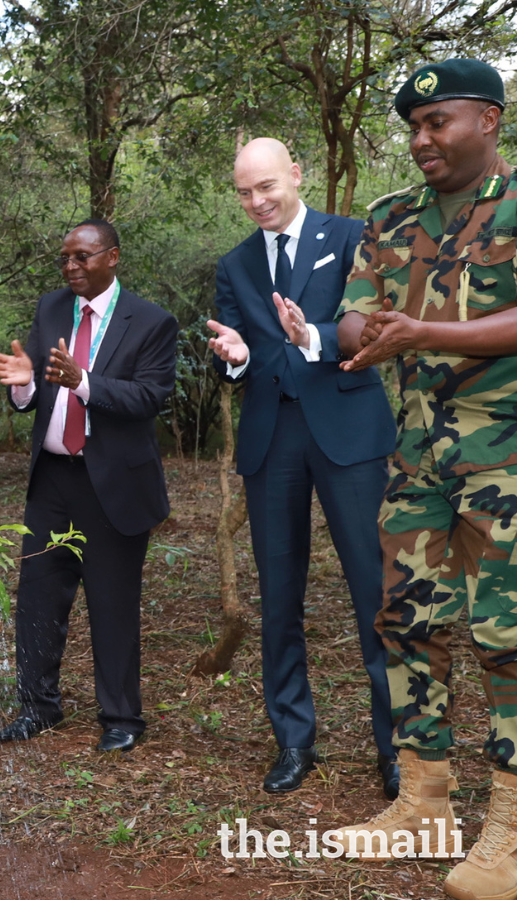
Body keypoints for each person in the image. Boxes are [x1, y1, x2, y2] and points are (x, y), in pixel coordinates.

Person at [333, 60, 517, 896]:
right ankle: (426, 801)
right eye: (413, 127)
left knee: (506, 635)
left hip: (503, 458)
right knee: (406, 621)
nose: (420, 140)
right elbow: (350, 315)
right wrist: (358, 331)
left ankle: (510, 826)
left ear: (488, 118)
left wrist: (423, 332)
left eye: (437, 121)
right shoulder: (390, 214)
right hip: (414, 457)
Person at [205, 138, 398, 797]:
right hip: (270, 439)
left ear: (296, 173)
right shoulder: (233, 265)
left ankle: (396, 747)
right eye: (244, 192)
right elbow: (232, 353)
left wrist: (310, 336)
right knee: (279, 595)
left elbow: (370, 330)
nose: (257, 201)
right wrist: (232, 354)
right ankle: (292, 739)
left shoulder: (351, 236)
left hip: (348, 430)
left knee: (375, 592)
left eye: (266, 186)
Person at [0, 219, 177, 753]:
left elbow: (149, 397)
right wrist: (24, 386)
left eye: (83, 257)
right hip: (52, 478)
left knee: (112, 603)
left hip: (114, 483)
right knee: (39, 598)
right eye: (65, 258)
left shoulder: (153, 322)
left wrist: (84, 382)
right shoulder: (51, 309)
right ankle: (36, 706)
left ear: (112, 257)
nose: (71, 266)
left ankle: (121, 717)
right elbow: (34, 394)